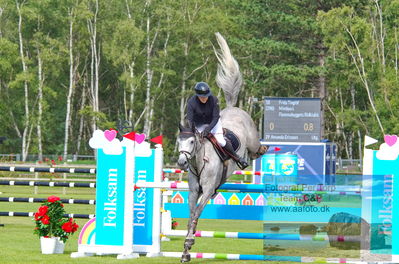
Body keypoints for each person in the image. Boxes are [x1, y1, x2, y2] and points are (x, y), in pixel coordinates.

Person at [186, 81, 248, 169]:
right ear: (197, 95)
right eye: (202, 97)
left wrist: (208, 129)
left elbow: (215, 117)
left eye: (206, 96)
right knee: (191, 142)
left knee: (221, 141)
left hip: (213, 123)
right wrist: (193, 130)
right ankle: (186, 161)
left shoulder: (214, 100)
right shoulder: (191, 102)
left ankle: (237, 158)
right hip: (199, 124)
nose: (204, 99)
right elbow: (190, 119)